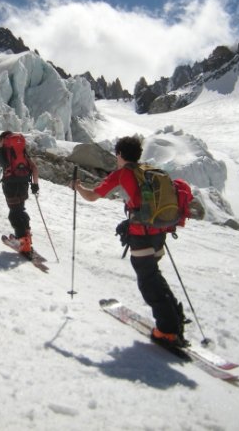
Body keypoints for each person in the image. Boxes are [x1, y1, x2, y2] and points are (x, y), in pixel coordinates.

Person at [72, 135, 186, 346]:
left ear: (121, 155)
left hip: (142, 234)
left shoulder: (122, 174)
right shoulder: (148, 170)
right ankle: (174, 320)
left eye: (117, 155)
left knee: (147, 281)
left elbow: (92, 196)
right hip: (159, 231)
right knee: (153, 275)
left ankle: (168, 330)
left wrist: (77, 187)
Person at [0, 131, 40, 253]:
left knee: (14, 213)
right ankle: (26, 236)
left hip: (10, 187)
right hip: (24, 185)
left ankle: (23, 243)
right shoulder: (21, 151)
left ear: (3, 140)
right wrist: (35, 185)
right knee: (20, 210)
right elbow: (34, 168)